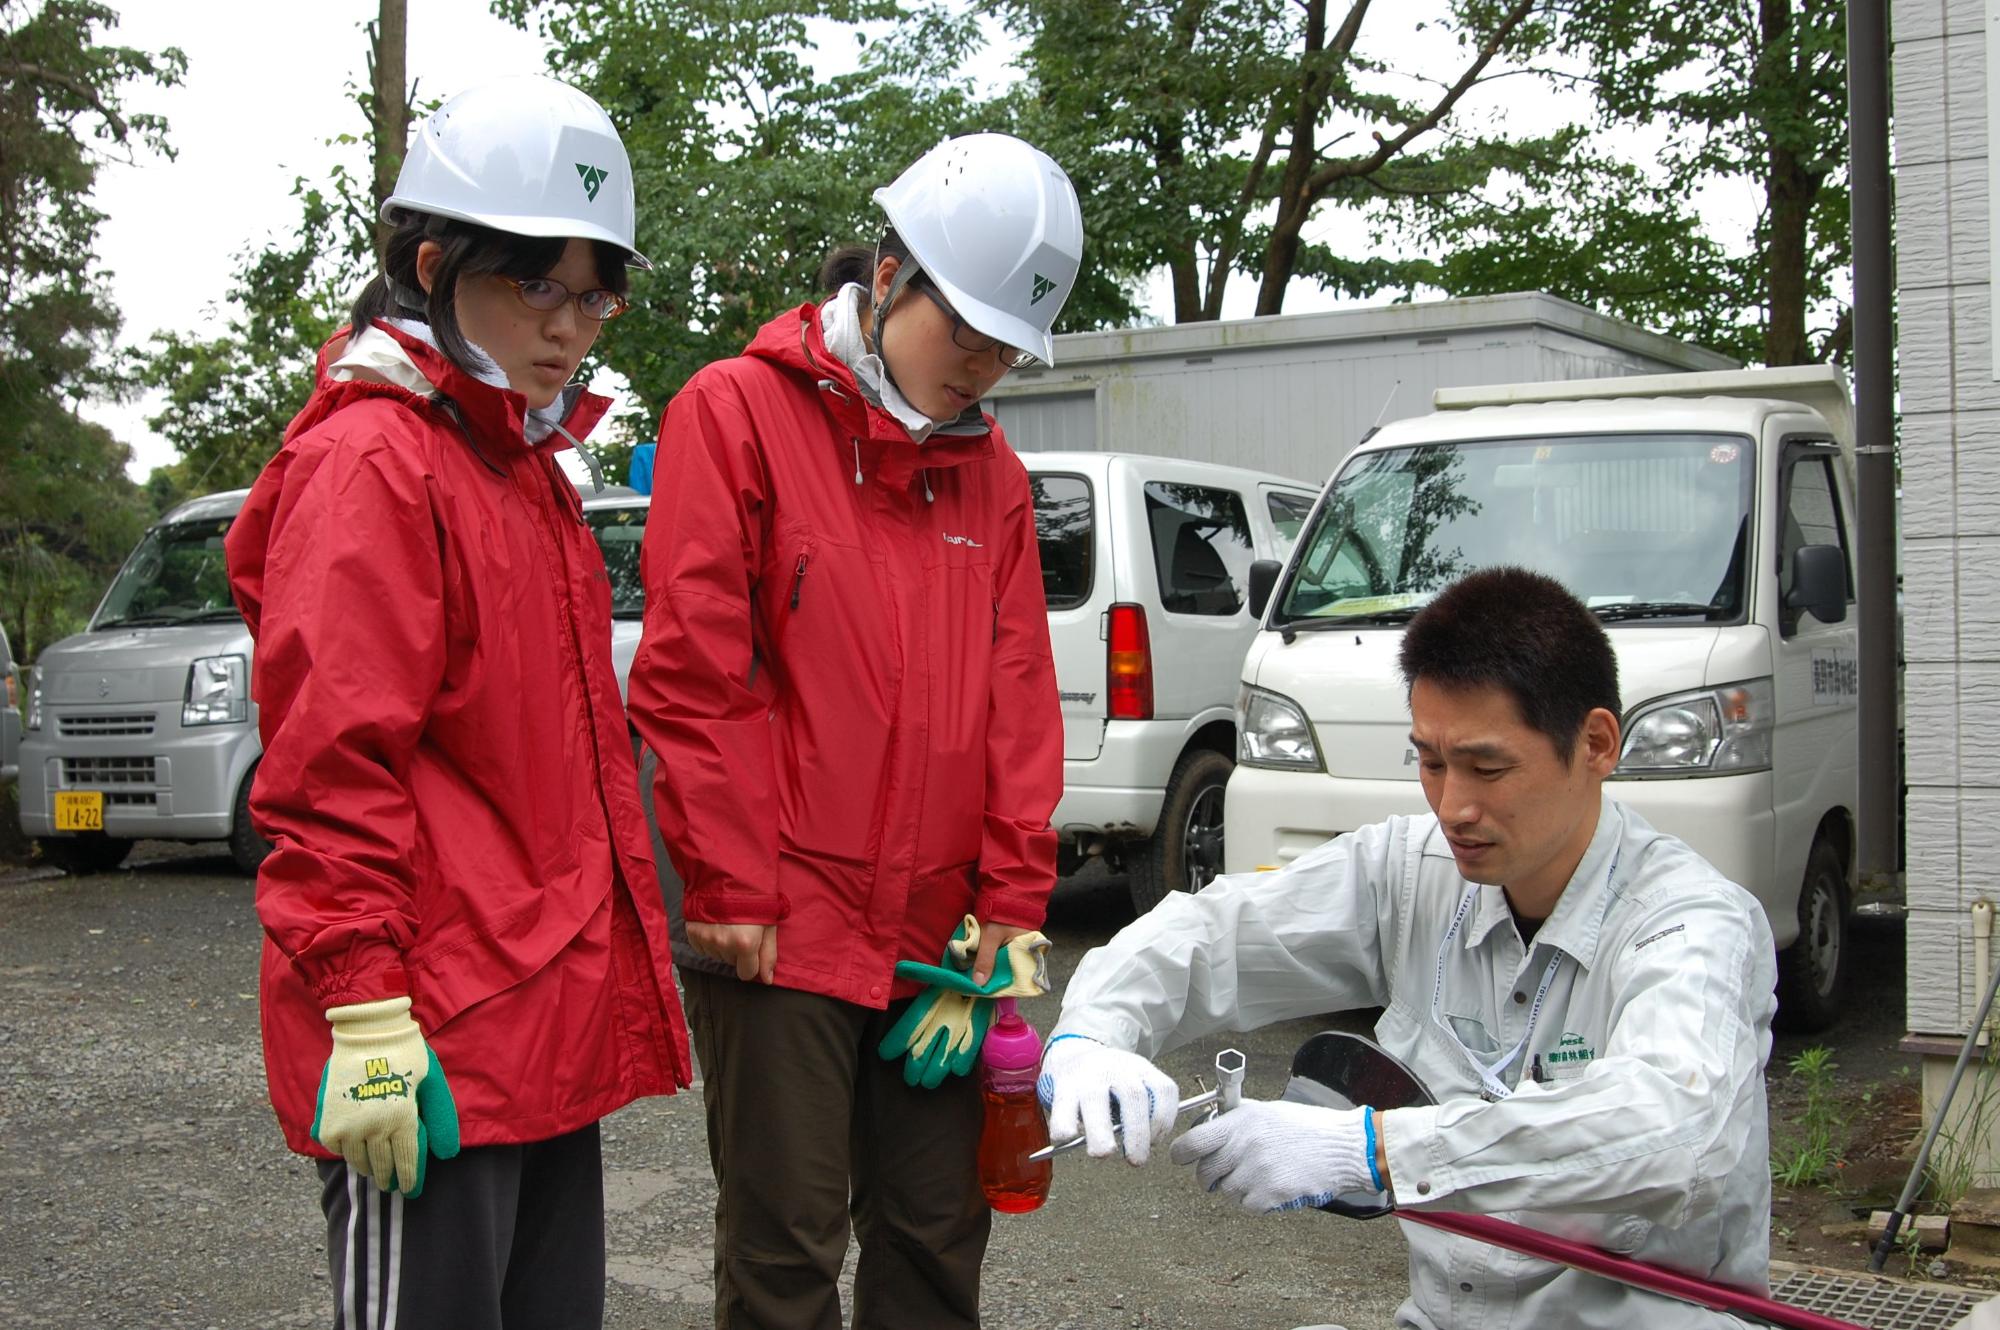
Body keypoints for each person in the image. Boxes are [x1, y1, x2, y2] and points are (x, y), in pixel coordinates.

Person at [225, 75, 690, 1330]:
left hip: (538, 1027)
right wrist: (362, 1004)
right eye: (536, 284)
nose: (568, 326)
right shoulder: (373, 459)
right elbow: (330, 766)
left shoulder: (520, 461)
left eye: (593, 294)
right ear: (433, 266)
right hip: (422, 1032)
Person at [1040, 566, 1777, 1329]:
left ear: (1595, 744)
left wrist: (1373, 1151)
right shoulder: (1412, 870)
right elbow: (1215, 931)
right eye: (1430, 762)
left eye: (1488, 768)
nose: (1453, 806)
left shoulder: (1691, 923)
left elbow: (1673, 1133)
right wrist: (1093, 1033)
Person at [627, 132, 1081, 1329]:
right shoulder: (735, 412)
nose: (982, 368)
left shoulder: (993, 476)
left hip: (937, 932)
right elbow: (695, 672)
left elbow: (1017, 701)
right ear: (888, 277)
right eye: (966, 332)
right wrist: (726, 879)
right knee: (784, 1244)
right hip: (778, 918)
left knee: (938, 1232)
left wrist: (1011, 910)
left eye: (1007, 348)